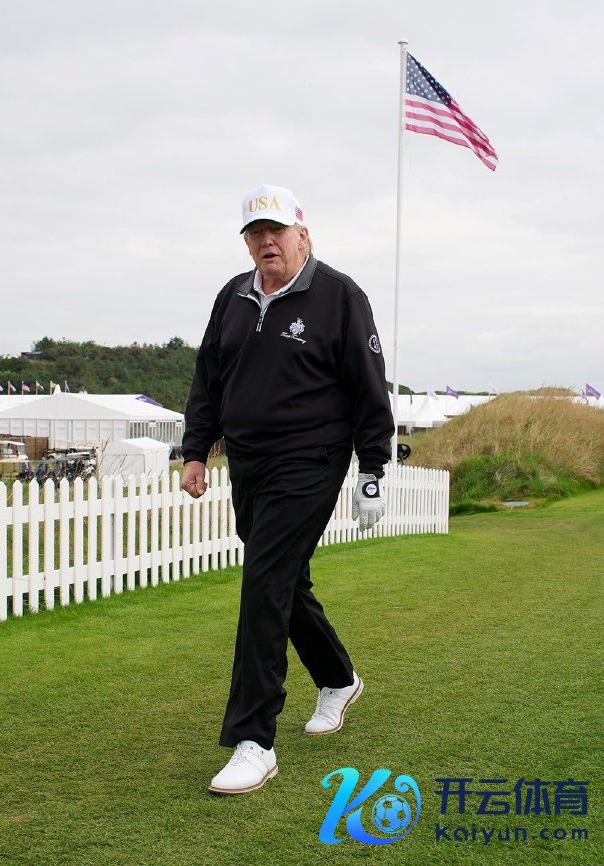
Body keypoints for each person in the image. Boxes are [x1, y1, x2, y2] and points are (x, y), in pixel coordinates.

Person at [181, 184, 394, 795]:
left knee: (264, 582)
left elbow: (368, 385)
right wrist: (195, 449)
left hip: (311, 460)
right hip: (249, 462)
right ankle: (338, 679)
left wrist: (373, 467)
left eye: (276, 230)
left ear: (303, 234)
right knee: (282, 580)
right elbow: (208, 378)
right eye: (255, 233)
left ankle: (254, 741)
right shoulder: (232, 296)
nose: (266, 241)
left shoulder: (340, 295)